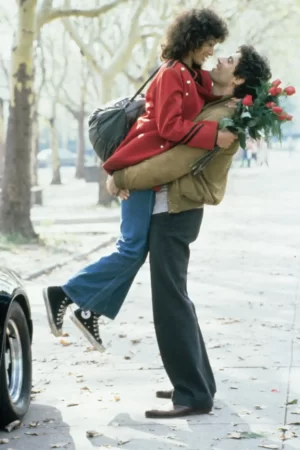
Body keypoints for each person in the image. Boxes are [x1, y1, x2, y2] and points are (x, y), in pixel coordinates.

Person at [43, 8, 234, 352]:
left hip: (150, 171)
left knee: (135, 249)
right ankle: (65, 294)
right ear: (192, 39)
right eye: (209, 43)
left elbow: (218, 94)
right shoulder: (171, 74)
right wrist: (212, 136)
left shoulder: (191, 75)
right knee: (132, 248)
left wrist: (255, 102)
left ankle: (89, 311)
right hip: (139, 166)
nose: (212, 51)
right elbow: (168, 127)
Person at [107, 46, 272, 418]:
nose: (219, 60)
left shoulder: (225, 115)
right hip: (177, 208)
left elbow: (173, 162)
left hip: (174, 209)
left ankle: (193, 394)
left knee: (169, 304)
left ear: (240, 78)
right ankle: (199, 383)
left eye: (228, 61)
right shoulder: (219, 106)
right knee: (176, 297)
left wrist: (120, 177)